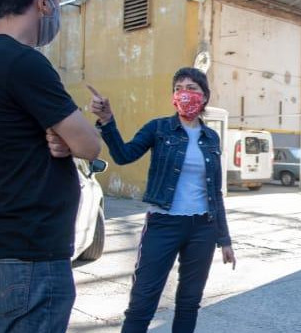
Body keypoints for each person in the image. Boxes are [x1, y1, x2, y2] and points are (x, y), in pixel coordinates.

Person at [0, 0, 102, 333]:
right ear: (44, 1)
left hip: (10, 253)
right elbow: (90, 144)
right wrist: (71, 137)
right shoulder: (24, 62)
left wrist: (61, 139)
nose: (57, 8)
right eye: (58, 0)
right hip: (31, 257)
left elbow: (44, 140)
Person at [87, 67, 235, 333]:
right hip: (163, 224)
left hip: (203, 227)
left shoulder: (211, 137)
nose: (184, 93)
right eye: (178, 88)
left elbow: (216, 193)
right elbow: (123, 155)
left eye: (192, 88)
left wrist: (224, 239)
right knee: (143, 301)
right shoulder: (159, 128)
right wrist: (108, 120)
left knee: (189, 302)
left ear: (205, 97)